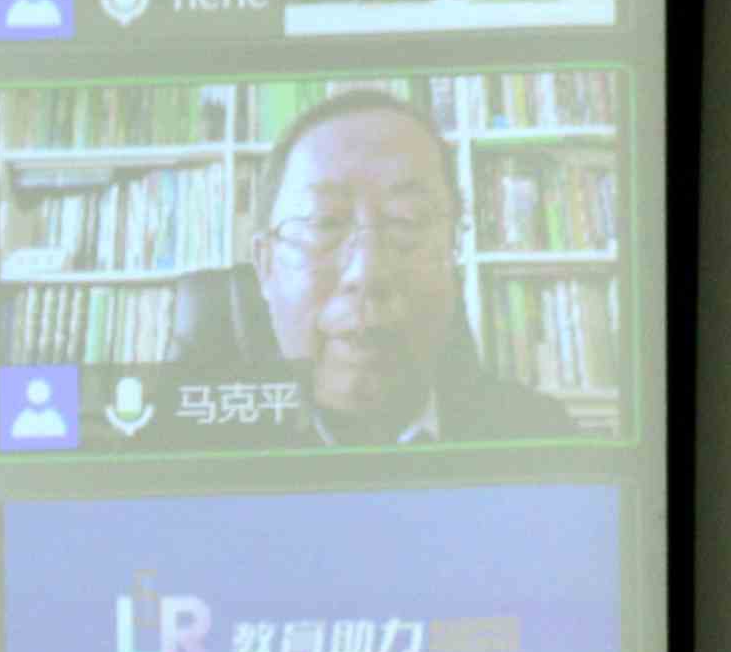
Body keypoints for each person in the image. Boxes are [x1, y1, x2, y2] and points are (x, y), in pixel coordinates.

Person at [196, 91, 579, 447]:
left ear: (453, 251)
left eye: (407, 221)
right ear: (265, 265)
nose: (367, 272)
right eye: (324, 222)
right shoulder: (195, 450)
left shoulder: (540, 438)